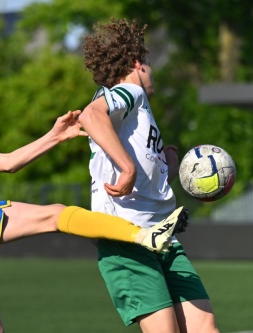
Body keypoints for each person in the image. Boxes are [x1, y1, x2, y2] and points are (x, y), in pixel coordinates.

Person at [0, 55, 188, 333]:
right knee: (55, 214)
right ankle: (144, 235)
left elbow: (7, 163)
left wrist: (54, 136)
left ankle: (144, 235)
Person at [78, 18, 219, 332]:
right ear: (137, 64)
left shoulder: (135, 112)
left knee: (204, 327)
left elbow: (136, 170)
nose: (152, 71)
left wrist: (163, 165)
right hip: (127, 240)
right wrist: (128, 168)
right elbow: (91, 115)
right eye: (150, 64)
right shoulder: (130, 92)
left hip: (162, 237)